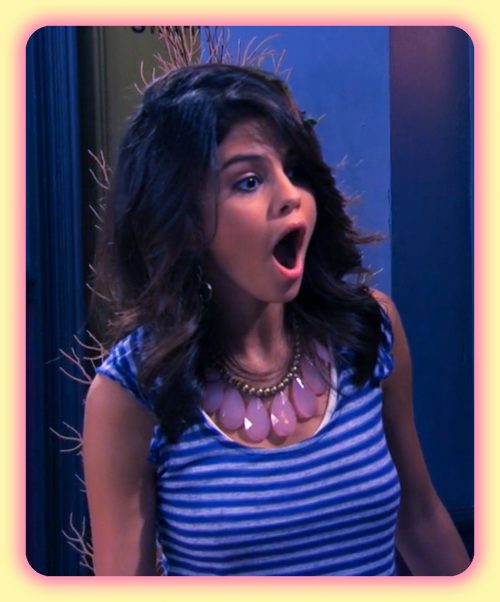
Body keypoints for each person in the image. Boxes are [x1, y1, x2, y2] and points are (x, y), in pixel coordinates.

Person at [83, 63, 470, 576]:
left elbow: (420, 519)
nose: (290, 195)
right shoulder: (133, 391)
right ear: (184, 220)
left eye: (295, 171)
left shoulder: (368, 332)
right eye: (248, 181)